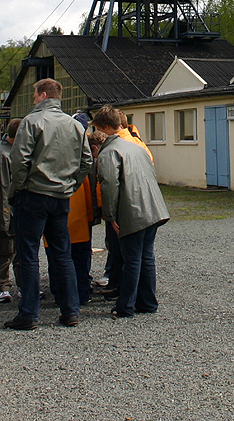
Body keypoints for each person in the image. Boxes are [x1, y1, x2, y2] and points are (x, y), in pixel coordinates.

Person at [5, 78, 93, 331]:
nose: (33, 99)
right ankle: (70, 311)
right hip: (61, 197)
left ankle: (29, 314)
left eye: (34, 95)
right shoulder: (74, 125)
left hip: (33, 194)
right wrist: (71, 185)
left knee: (29, 254)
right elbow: (86, 161)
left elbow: (19, 161)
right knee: (62, 254)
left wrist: (19, 187)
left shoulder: (31, 122)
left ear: (42, 95)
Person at [91, 105, 170, 318]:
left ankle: (125, 306)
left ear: (106, 128)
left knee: (131, 260)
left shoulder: (110, 151)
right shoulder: (137, 146)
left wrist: (110, 215)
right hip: (153, 209)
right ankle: (147, 302)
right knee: (146, 257)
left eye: (98, 129)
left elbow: (109, 184)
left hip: (132, 211)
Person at [0, 118, 21, 304]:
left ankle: (21, 285)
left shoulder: (12, 152)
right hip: (6, 211)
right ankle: (3, 286)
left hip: (15, 210)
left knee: (18, 250)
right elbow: (2, 188)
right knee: (4, 250)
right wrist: (4, 218)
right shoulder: (3, 155)